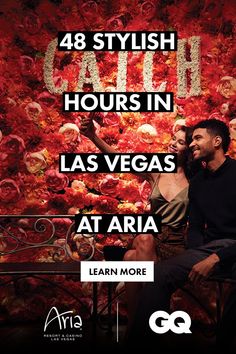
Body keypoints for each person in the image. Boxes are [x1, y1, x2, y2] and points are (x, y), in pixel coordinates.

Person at [128, 119, 236, 352]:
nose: (192, 144)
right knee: (157, 274)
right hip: (210, 248)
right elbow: (196, 227)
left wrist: (216, 259)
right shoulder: (197, 183)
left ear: (217, 141)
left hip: (231, 249)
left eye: (197, 138)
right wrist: (196, 258)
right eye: (191, 140)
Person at [80, 112, 194, 327]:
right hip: (151, 237)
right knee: (143, 239)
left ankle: (135, 324)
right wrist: (93, 137)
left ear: (189, 150)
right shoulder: (157, 171)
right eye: (173, 139)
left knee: (131, 257)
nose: (172, 144)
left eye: (180, 142)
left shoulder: (196, 180)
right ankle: (147, 323)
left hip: (175, 245)